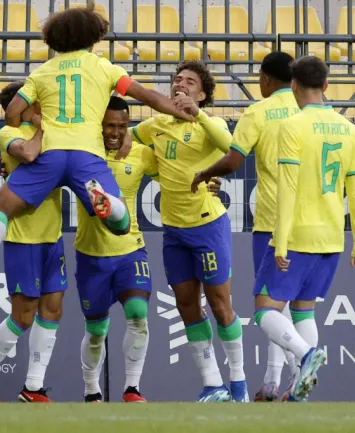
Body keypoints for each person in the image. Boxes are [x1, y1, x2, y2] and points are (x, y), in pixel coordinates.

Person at [0, 5, 193, 288]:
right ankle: (106, 201)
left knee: (0, 206)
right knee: (121, 224)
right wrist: (179, 111)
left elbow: (12, 111)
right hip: (86, 154)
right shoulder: (103, 67)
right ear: (92, 36)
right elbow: (146, 95)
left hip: (49, 153)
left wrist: (30, 128)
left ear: (55, 38)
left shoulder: (42, 72)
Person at [78, 96, 223, 403]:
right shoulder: (81, 155)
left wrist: (210, 181)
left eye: (122, 126)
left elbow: (175, 179)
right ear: (98, 127)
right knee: (96, 331)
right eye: (109, 126)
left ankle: (132, 388)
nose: (116, 132)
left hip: (131, 250)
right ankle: (92, 389)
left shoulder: (142, 154)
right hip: (91, 253)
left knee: (138, 314)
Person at [252, 55, 355, 402]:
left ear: (293, 86)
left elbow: (287, 188)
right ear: (327, 86)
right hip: (331, 236)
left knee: (264, 309)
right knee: (304, 309)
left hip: (299, 233)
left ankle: (305, 357)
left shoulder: (292, 126)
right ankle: (299, 387)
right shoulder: (348, 129)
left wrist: (281, 241)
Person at [132, 60, 248, 402]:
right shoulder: (156, 125)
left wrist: (196, 114)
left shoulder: (210, 123)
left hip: (208, 226)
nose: (180, 84)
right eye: (177, 79)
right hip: (174, 231)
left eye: (189, 81)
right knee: (186, 305)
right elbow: (124, 138)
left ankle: (239, 383)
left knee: (220, 304)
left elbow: (231, 146)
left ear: (202, 93)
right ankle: (213, 384)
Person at [191, 52, 304, 402]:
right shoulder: (310, 108)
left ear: (266, 80)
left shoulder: (258, 111)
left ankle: (299, 368)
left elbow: (234, 158)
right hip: (312, 218)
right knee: (294, 306)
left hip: (273, 219)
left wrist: (207, 172)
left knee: (269, 305)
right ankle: (273, 380)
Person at [0, 81, 64, 403]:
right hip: (23, 238)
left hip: (53, 236)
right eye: (31, 100)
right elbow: (28, 153)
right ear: (17, 107)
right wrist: (42, 131)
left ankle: (33, 387)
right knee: (23, 317)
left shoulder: (47, 129)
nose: (38, 103)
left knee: (52, 310)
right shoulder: (7, 134)